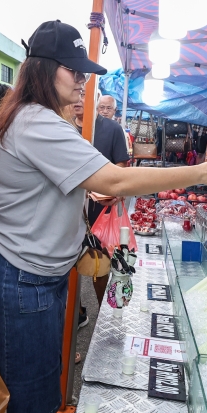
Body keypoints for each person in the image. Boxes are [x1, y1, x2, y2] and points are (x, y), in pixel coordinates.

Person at [0, 20, 207, 413]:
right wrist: (201, 171)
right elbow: (115, 177)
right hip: (18, 273)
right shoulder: (37, 122)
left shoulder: (36, 119)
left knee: (28, 381)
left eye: (84, 72)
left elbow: (83, 183)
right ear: (43, 70)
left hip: (31, 270)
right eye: (73, 71)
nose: (81, 81)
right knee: (19, 388)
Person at [72, 94, 130, 311]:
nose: (78, 99)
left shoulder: (112, 129)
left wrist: (112, 190)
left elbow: (121, 165)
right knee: (66, 262)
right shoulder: (63, 127)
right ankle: (77, 313)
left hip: (100, 208)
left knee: (100, 262)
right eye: (75, 94)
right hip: (68, 208)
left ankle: (105, 312)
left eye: (84, 95)